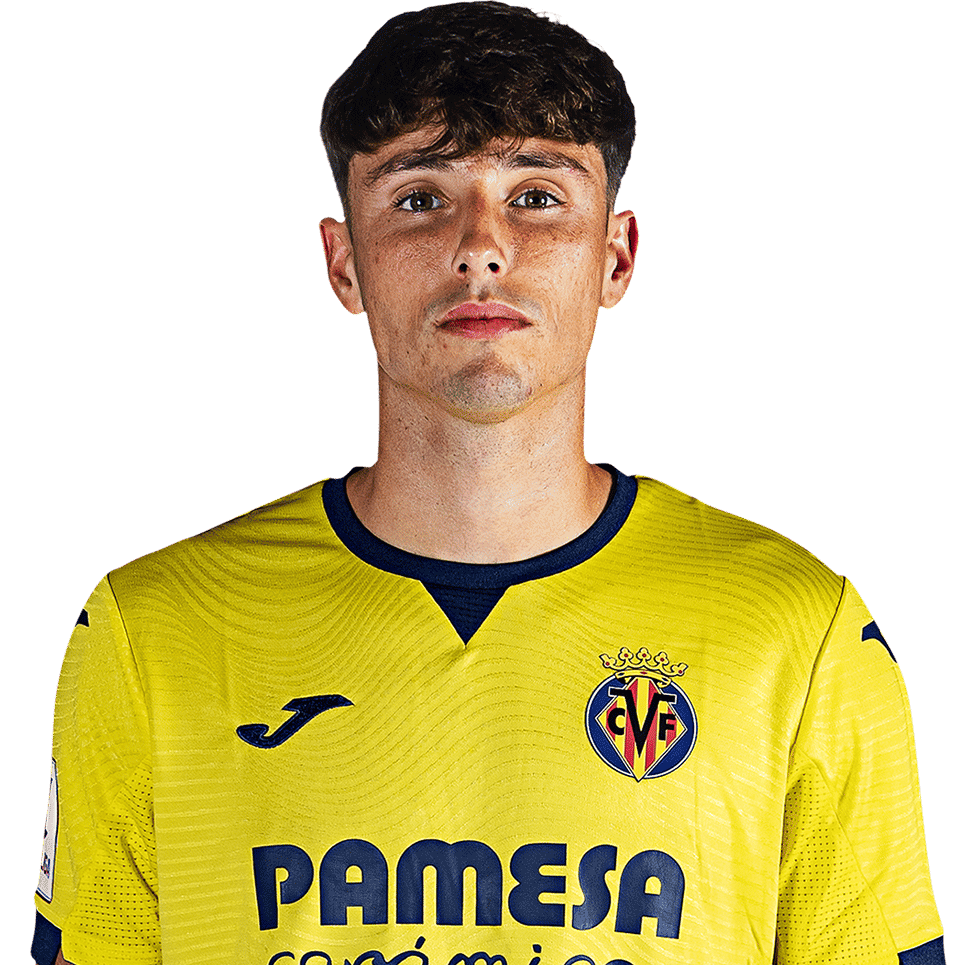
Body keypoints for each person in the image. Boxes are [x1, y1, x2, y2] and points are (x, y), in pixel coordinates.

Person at [31, 3, 945, 964]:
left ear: (615, 256)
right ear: (344, 263)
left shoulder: (799, 632)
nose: (481, 246)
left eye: (536, 196)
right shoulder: (150, 633)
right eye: (418, 198)